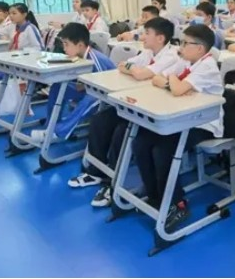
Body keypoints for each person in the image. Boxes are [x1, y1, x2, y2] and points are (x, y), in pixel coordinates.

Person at [71, 17, 186, 208]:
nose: (142, 36)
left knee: (121, 132)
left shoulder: (171, 56)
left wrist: (136, 71)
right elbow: (123, 65)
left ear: (160, 38)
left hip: (154, 108)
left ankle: (113, 182)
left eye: (147, 33)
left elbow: (141, 74)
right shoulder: (148, 52)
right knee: (100, 120)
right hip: (136, 101)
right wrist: (136, 70)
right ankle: (96, 172)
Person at [142, 24, 224, 230]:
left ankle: (177, 203)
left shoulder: (207, 66)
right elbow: (157, 79)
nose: (181, 47)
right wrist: (173, 84)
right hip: (183, 116)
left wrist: (173, 83)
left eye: (186, 43)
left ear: (200, 48)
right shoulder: (188, 61)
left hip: (204, 123)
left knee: (163, 150)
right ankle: (155, 195)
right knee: (141, 142)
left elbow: (176, 88)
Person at [29, 23, 115, 142]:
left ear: (80, 45)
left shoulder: (97, 59)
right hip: (89, 89)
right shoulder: (78, 56)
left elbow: (104, 87)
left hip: (107, 97)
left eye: (66, 44)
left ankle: (60, 131)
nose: (64, 48)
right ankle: (52, 124)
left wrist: (85, 86)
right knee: (57, 86)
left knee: (91, 98)